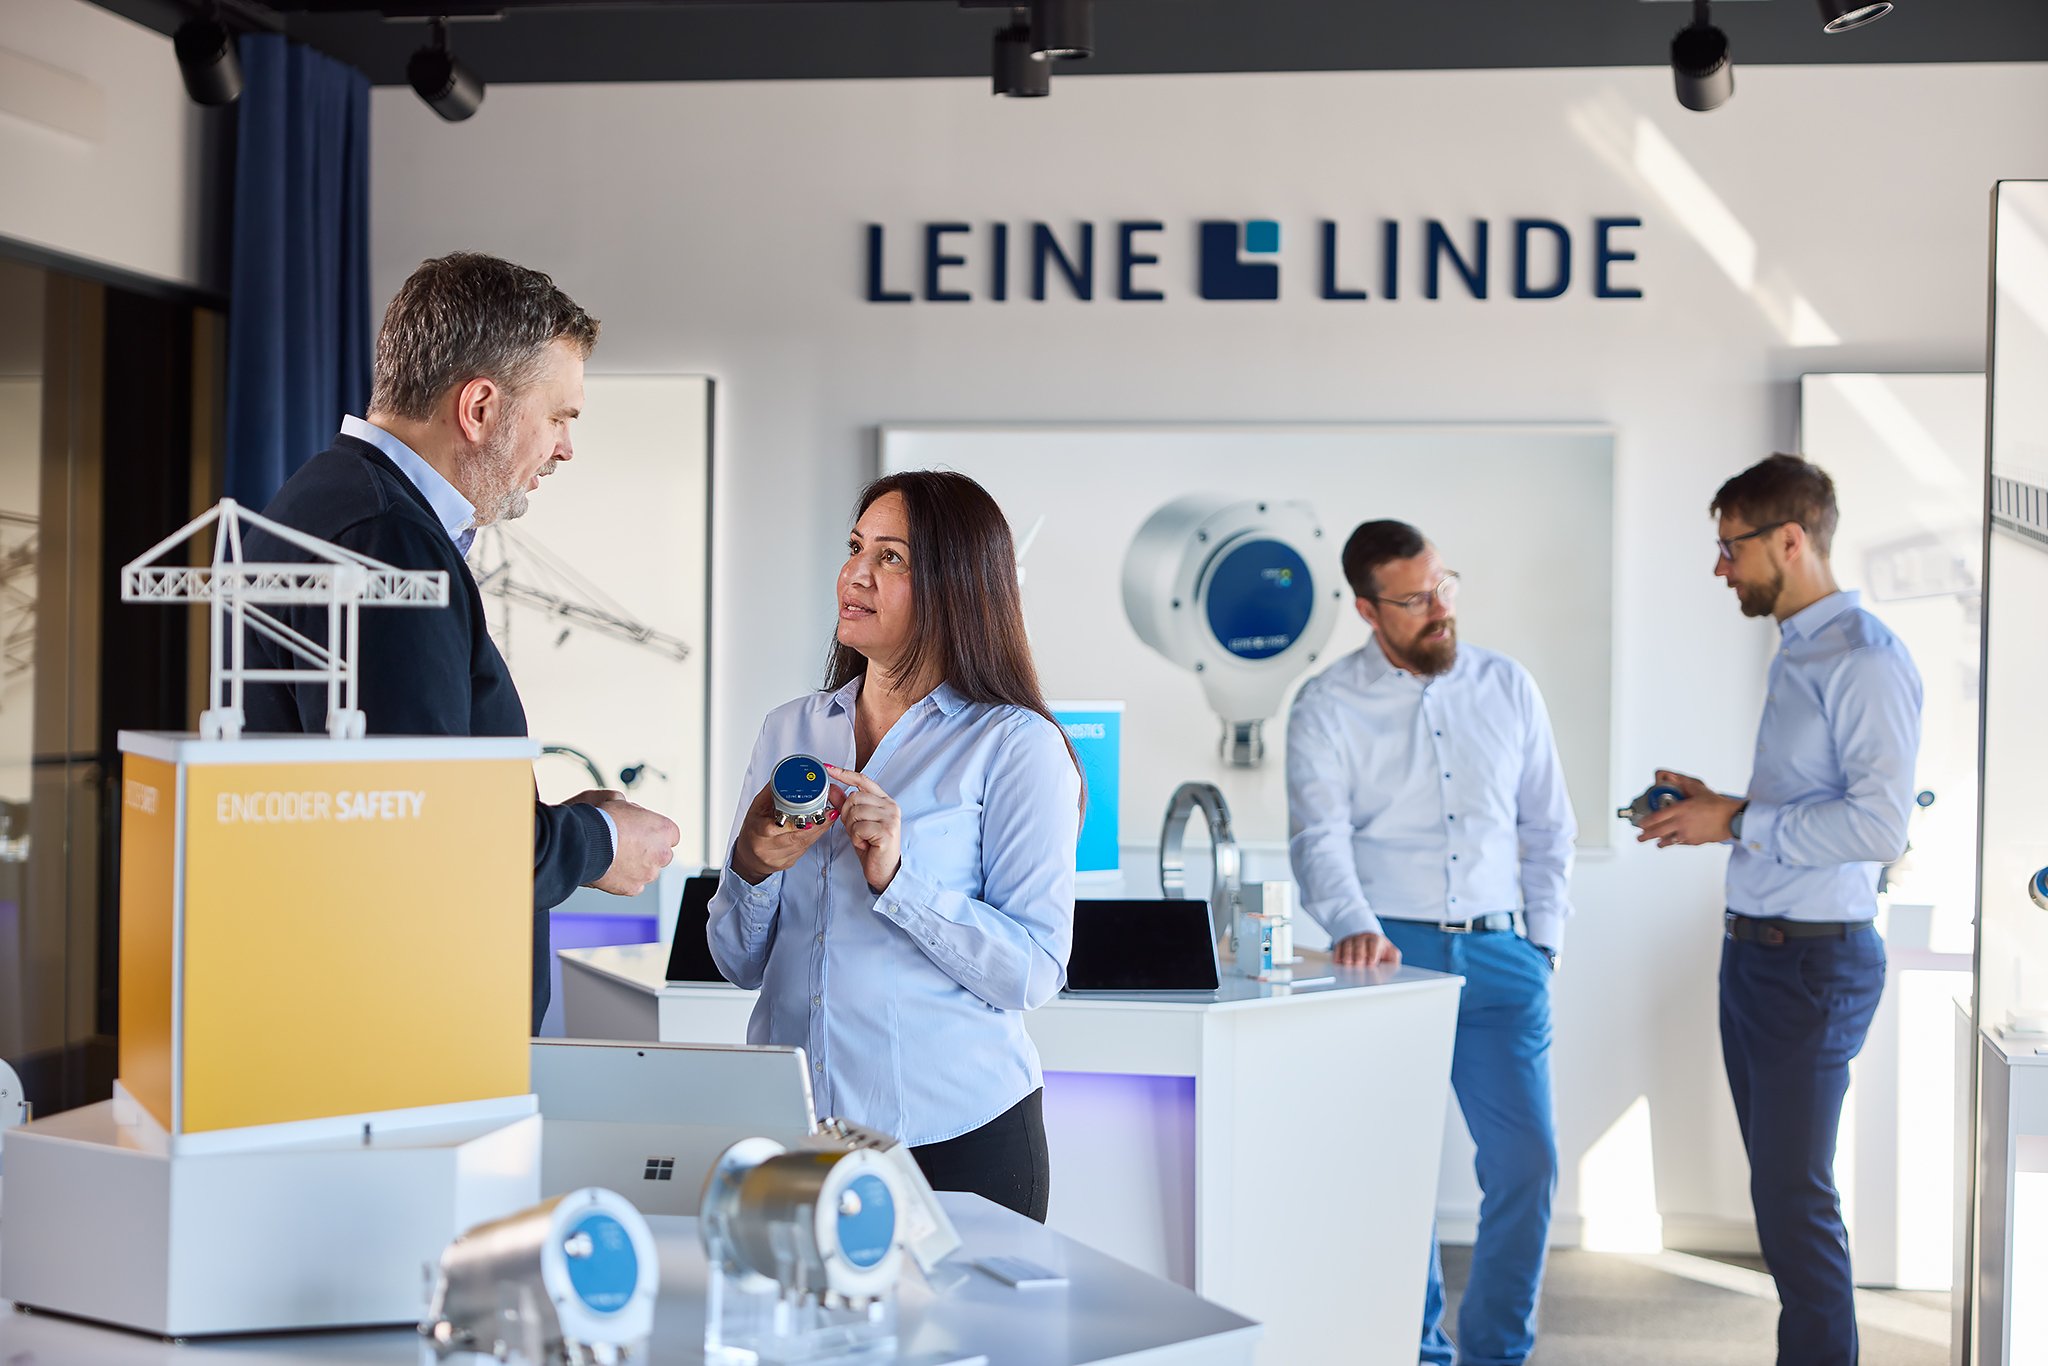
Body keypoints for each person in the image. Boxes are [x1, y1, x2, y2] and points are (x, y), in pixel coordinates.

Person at [242, 252, 681, 1032]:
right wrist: (598, 841)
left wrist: (557, 825)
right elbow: (422, 832)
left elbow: (391, 797)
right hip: (403, 1031)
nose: (565, 448)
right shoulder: (388, 541)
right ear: (479, 407)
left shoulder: (332, 498)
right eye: (560, 417)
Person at [706, 470, 1080, 1220]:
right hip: (798, 1137)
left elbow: (1034, 972)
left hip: (956, 1141)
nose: (855, 574)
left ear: (955, 586)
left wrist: (899, 882)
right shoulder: (791, 729)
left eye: (891, 558)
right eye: (856, 548)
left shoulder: (1016, 745)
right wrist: (751, 868)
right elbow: (738, 963)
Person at [1639, 454, 1920, 1366]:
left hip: (1811, 964)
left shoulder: (1864, 660)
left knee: (1796, 1204)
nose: (1720, 567)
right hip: (1758, 958)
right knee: (1779, 1197)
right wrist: (1721, 810)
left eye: (1732, 547)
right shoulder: (1800, 651)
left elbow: (1877, 828)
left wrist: (1739, 819)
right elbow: (1808, 809)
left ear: (1790, 540)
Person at [1287, 519, 1573, 1366]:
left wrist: (1544, 945)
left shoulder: (1507, 685)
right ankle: (1418, 1351)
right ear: (1367, 610)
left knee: (1527, 1165)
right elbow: (1318, 837)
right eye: (1414, 600)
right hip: (1389, 956)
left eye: (1444, 586)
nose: (1440, 608)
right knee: (1397, 1170)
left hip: (1503, 956)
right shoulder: (1327, 703)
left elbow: (1546, 825)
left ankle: (1497, 1353)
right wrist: (1354, 924)